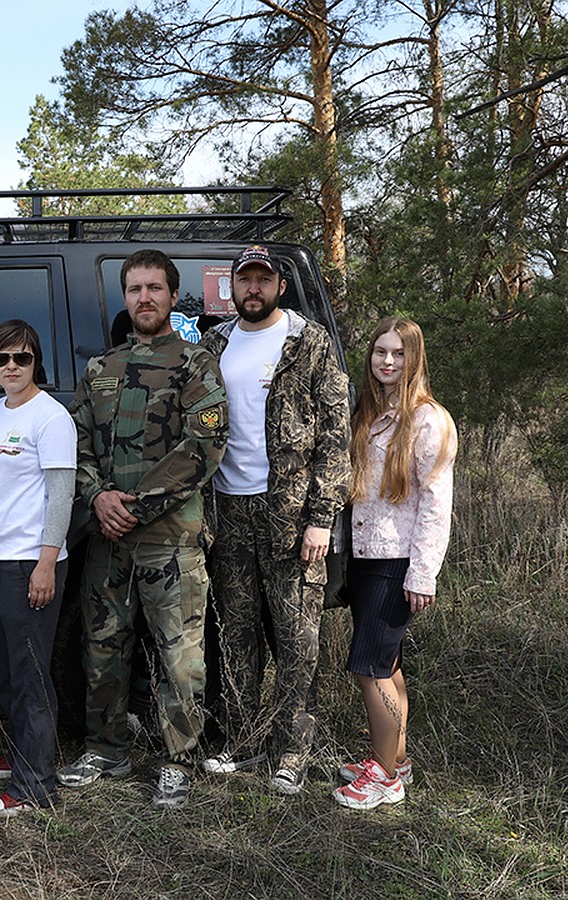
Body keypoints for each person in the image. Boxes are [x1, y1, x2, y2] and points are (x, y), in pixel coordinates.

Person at [62, 248, 228, 809]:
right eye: (135, 289)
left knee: (179, 653)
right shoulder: (100, 369)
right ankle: (105, 748)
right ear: (125, 297)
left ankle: (177, 760)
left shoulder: (196, 365)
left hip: (170, 538)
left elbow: (204, 446)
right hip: (107, 538)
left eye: (155, 288)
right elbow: (77, 444)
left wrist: (136, 503)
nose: (145, 298)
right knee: (103, 646)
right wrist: (98, 496)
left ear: (172, 296)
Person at [199, 244, 350, 796]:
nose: (254, 289)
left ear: (279, 286)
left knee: (297, 638)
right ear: (233, 288)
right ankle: (240, 739)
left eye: (264, 279)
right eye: (246, 280)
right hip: (229, 510)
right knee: (236, 634)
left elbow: (336, 438)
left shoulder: (308, 343)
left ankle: (292, 750)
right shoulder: (214, 345)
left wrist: (321, 517)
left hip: (291, 515)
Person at [333, 317, 457, 810]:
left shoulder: (429, 420)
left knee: (369, 668)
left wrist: (422, 573)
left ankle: (385, 777)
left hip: (397, 559)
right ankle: (395, 756)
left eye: (398, 354)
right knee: (389, 663)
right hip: (364, 554)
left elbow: (435, 502)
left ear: (414, 358)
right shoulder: (368, 410)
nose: (387, 361)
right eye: (380, 352)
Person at [0, 319, 76, 819]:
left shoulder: (51, 417)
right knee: (9, 669)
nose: (12, 366)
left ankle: (36, 786)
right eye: (2, 358)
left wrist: (46, 564)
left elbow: (61, 495)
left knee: (32, 674)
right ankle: (20, 756)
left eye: (23, 357)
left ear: (37, 362)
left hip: (28, 563)